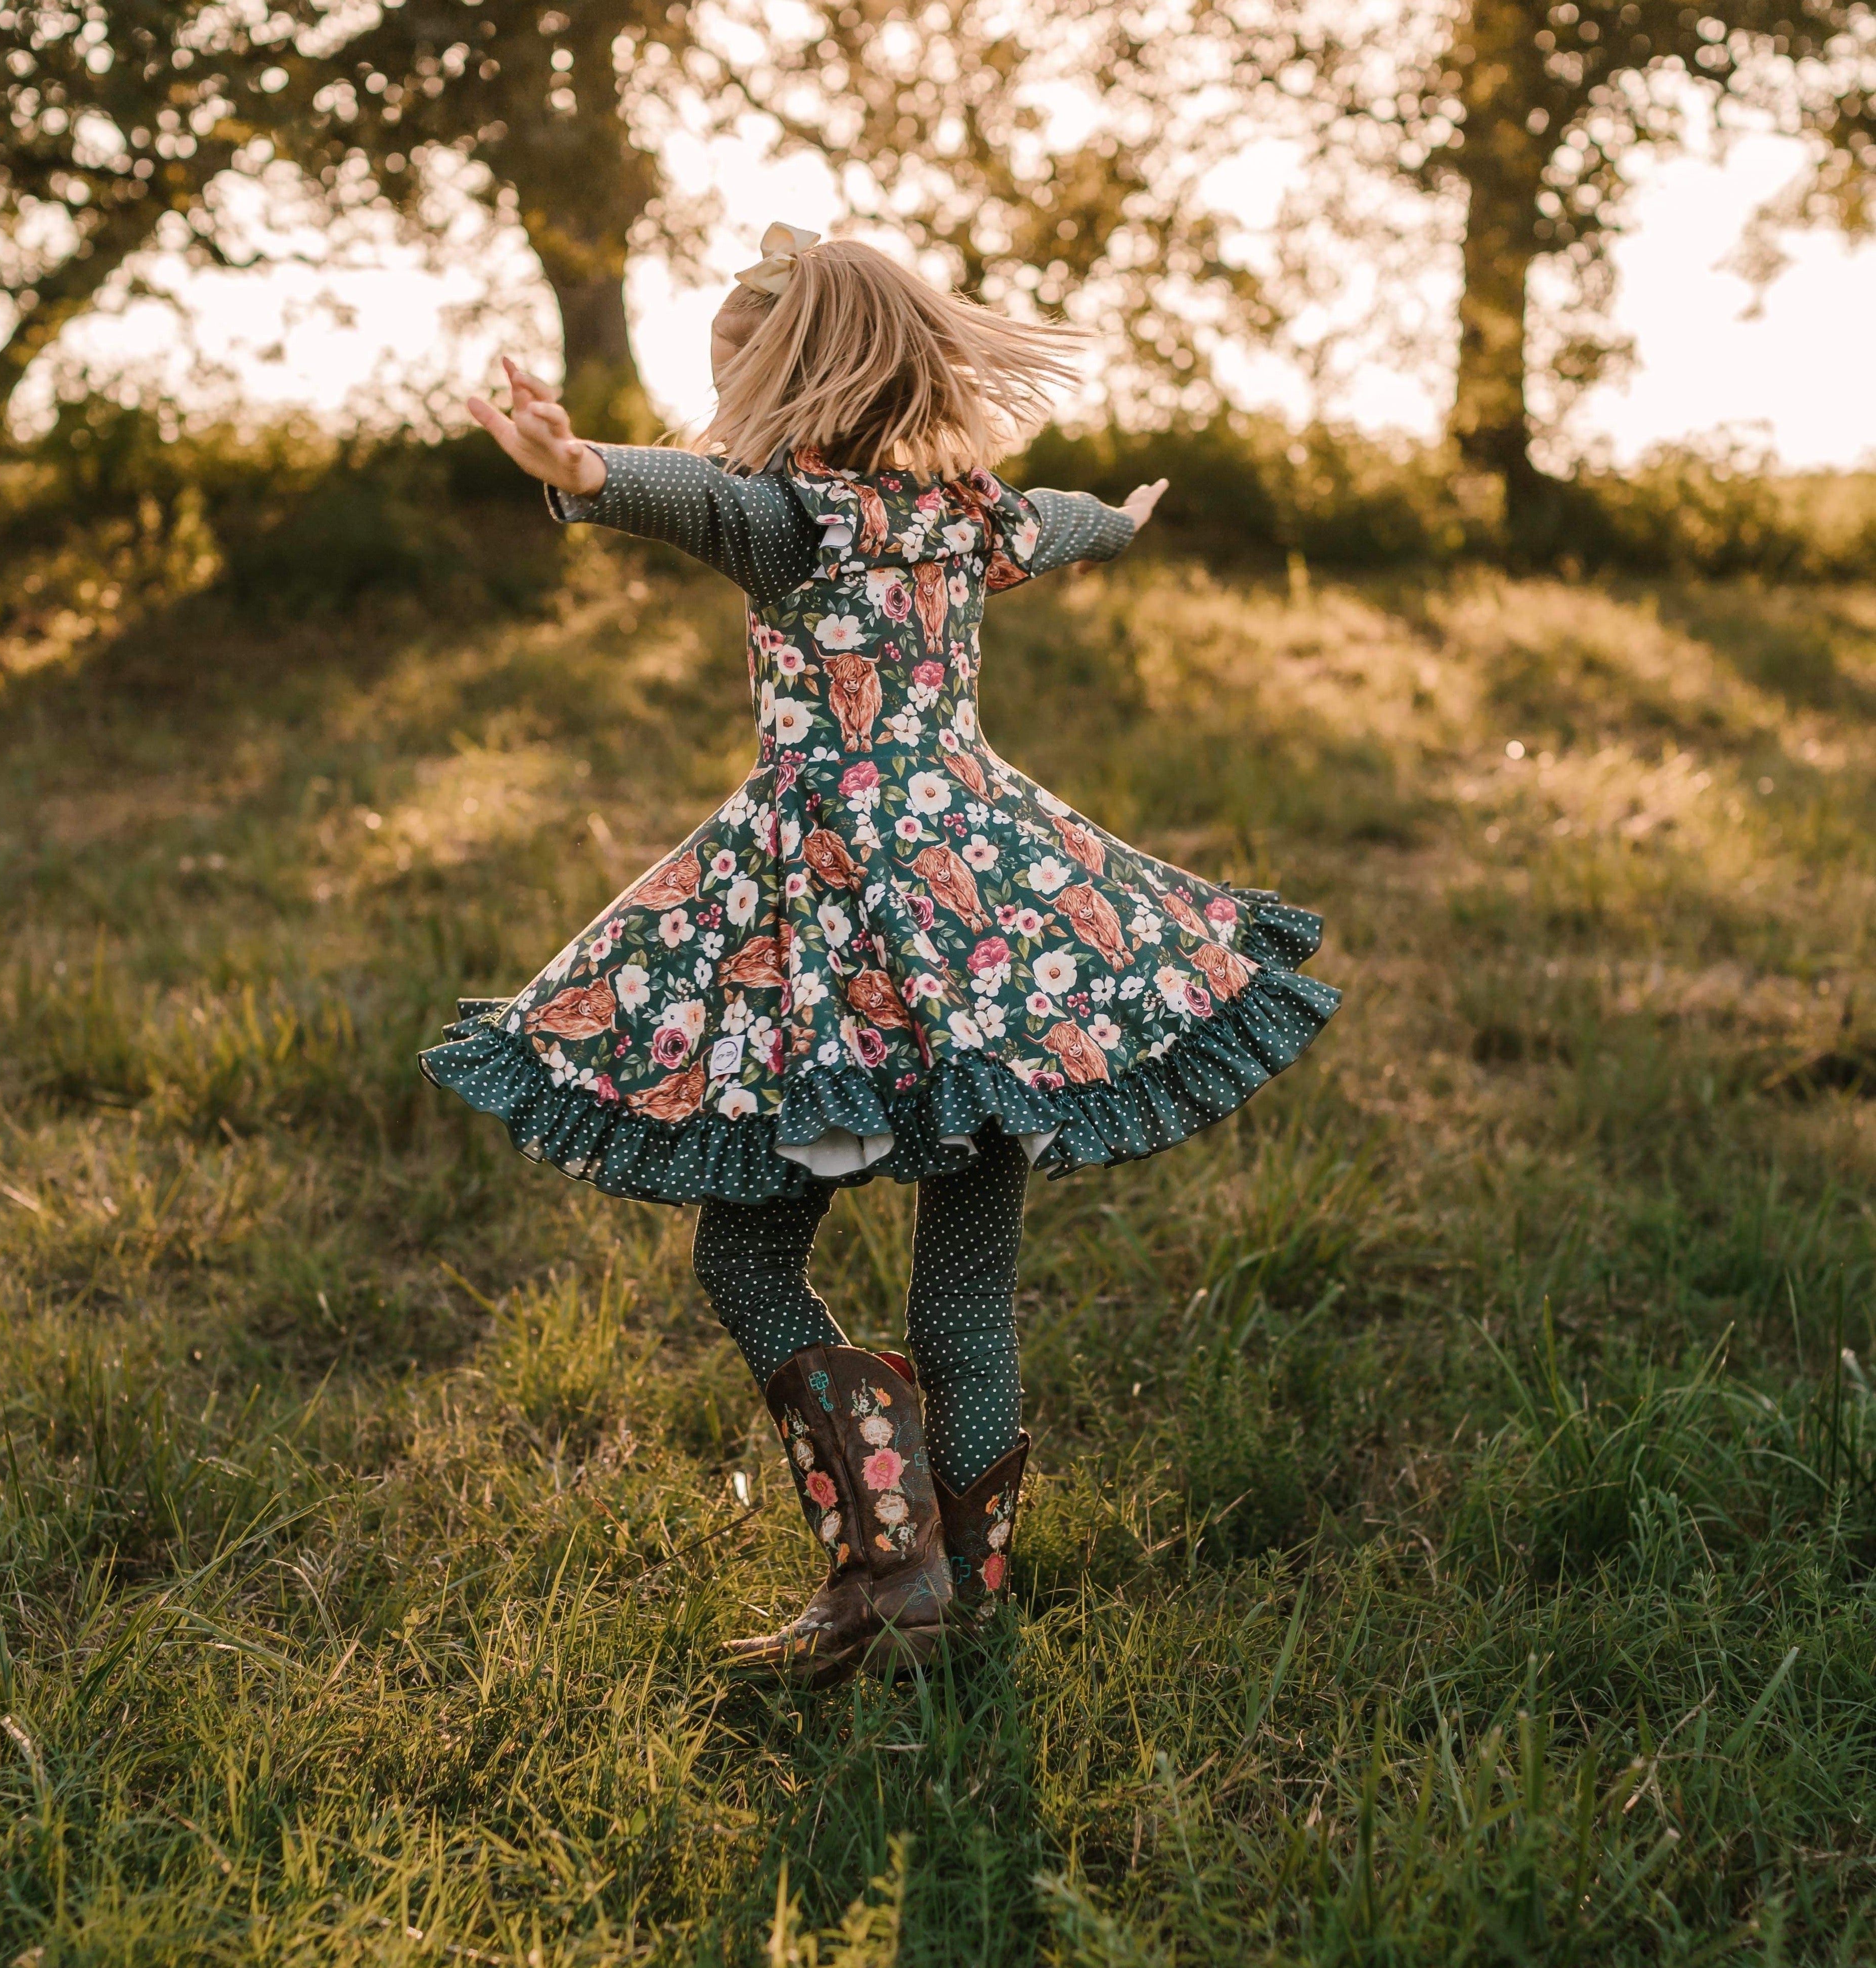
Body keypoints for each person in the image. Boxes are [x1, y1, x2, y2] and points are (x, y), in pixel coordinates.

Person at [425, 224, 1341, 1684]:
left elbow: (660, 493)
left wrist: (577, 469)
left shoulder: (786, 518)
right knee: (966, 1290)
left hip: (827, 932)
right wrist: (1122, 514)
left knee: (746, 1250)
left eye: (731, 373)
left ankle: (890, 1561)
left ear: (786, 379)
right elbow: (1062, 515)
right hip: (988, 925)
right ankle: (955, 1596)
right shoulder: (970, 513)